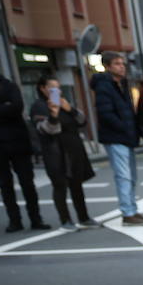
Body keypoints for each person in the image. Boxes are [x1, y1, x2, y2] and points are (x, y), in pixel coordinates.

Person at [0, 50, 49, 232]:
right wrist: (2, 109)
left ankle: (35, 218)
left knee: (27, 182)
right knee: (5, 183)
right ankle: (14, 220)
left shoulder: (8, 85)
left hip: (17, 141)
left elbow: (16, 108)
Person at [29, 75, 96, 231]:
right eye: (52, 88)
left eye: (58, 88)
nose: (56, 91)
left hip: (74, 150)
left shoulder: (64, 103)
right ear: (43, 88)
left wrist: (70, 109)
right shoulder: (39, 106)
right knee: (60, 186)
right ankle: (65, 220)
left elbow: (82, 121)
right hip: (55, 152)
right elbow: (48, 130)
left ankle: (84, 217)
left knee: (77, 185)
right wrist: (53, 114)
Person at [92, 52, 143, 225]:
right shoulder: (104, 86)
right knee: (124, 176)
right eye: (117, 64)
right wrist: (125, 128)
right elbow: (105, 113)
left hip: (126, 137)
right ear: (108, 67)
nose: (122, 66)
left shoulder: (121, 84)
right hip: (116, 137)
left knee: (131, 176)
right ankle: (128, 212)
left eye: (122, 63)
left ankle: (132, 210)